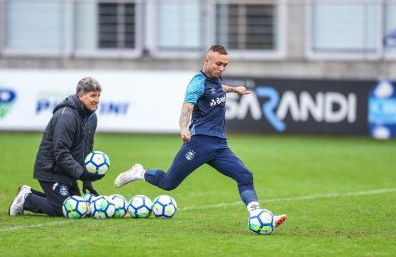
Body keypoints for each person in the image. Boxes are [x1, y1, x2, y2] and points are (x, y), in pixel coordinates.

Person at [114, 45, 287, 227]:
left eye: (225, 65)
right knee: (168, 183)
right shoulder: (197, 82)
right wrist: (183, 129)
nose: (222, 68)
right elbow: (186, 108)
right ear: (206, 61)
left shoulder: (215, 80)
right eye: (218, 64)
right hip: (199, 143)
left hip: (219, 146)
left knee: (245, 175)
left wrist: (235, 89)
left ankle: (256, 215)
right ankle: (139, 173)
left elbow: (219, 88)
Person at [9, 77, 104, 217]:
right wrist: (81, 173)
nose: (97, 100)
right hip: (51, 171)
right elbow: (61, 153)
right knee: (65, 209)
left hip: (68, 173)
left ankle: (28, 193)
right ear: (81, 96)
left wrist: (87, 180)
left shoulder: (91, 118)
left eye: (98, 95)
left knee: (81, 208)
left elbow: (86, 150)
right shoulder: (66, 116)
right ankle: (26, 200)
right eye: (93, 96)